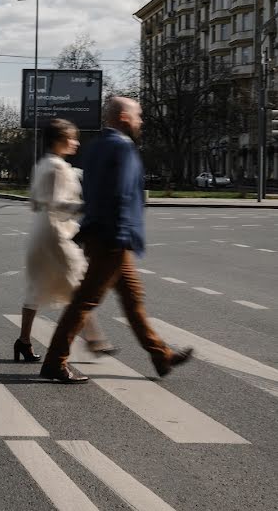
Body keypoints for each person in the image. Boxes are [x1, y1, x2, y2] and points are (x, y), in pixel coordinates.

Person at [40, 97, 193, 383]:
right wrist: (121, 235)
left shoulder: (96, 146)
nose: (141, 121)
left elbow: (90, 190)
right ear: (124, 117)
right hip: (113, 236)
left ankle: (161, 355)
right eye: (138, 115)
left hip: (102, 232)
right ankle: (54, 361)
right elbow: (121, 194)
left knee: (133, 300)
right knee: (85, 301)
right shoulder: (123, 147)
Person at [14, 119, 114, 362]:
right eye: (72, 138)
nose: (76, 142)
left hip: (41, 230)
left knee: (37, 287)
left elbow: (35, 202)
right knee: (78, 285)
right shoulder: (57, 168)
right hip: (56, 232)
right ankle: (94, 339)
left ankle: (23, 341)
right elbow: (56, 203)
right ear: (59, 140)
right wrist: (87, 207)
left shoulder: (44, 164)